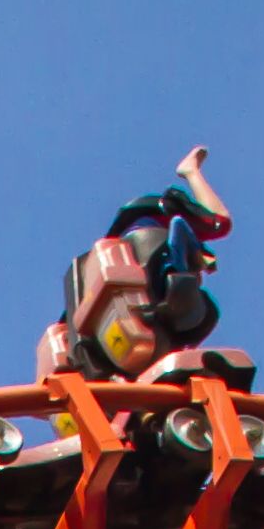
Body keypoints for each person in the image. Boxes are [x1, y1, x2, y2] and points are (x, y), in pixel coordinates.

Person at [37, 148, 239, 383]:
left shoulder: (98, 267)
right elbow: (219, 221)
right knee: (200, 308)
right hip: (156, 293)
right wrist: (192, 173)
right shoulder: (161, 227)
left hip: (119, 342)